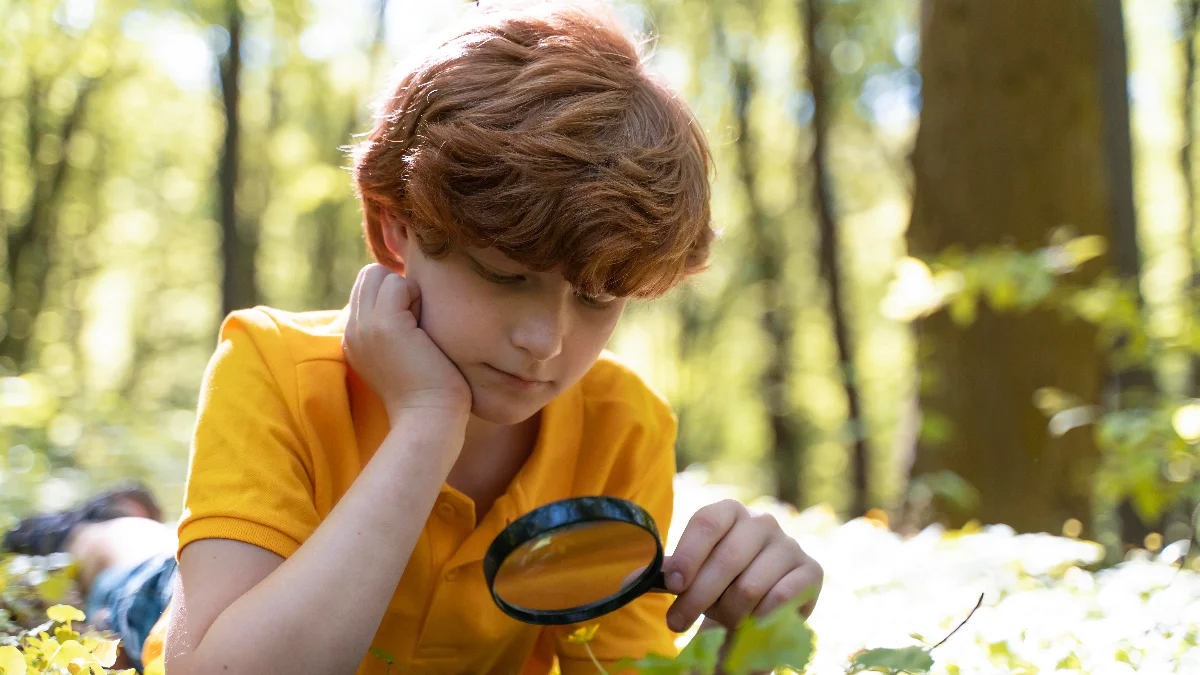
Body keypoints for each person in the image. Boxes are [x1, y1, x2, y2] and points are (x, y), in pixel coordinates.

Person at [3, 2, 824, 673]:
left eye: (597, 299)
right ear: (395, 228)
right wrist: (428, 419)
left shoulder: (623, 424)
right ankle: (104, 523)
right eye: (506, 276)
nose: (545, 339)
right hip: (196, 606)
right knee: (129, 564)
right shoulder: (272, 364)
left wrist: (732, 637)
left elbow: (607, 663)